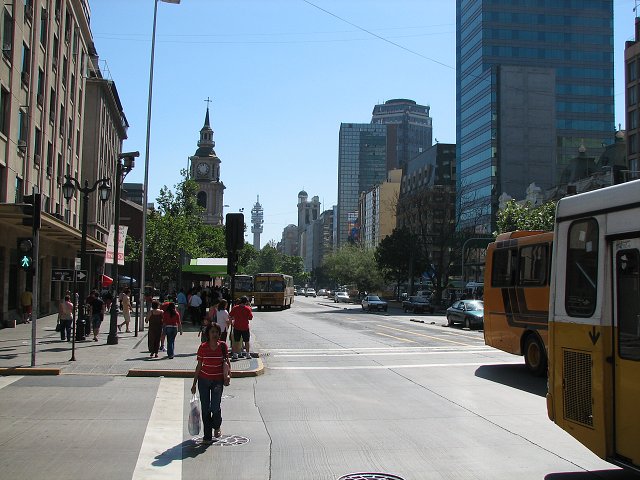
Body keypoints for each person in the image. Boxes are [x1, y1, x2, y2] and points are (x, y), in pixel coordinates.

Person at [191, 323, 231, 443]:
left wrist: (228, 376)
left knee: (215, 406)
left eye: (217, 332)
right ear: (208, 334)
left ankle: (217, 425)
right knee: (205, 408)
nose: (214, 334)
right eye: (212, 332)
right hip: (203, 380)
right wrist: (194, 383)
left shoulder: (222, 346)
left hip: (217, 381)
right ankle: (207, 435)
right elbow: (199, 366)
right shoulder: (203, 347)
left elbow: (227, 363)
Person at [229, 296, 253, 360]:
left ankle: (235, 354)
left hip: (237, 326)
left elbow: (230, 315)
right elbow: (250, 318)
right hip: (245, 327)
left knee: (236, 341)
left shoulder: (235, 308)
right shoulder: (248, 309)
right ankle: (247, 354)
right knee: (247, 341)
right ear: (246, 302)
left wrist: (232, 322)